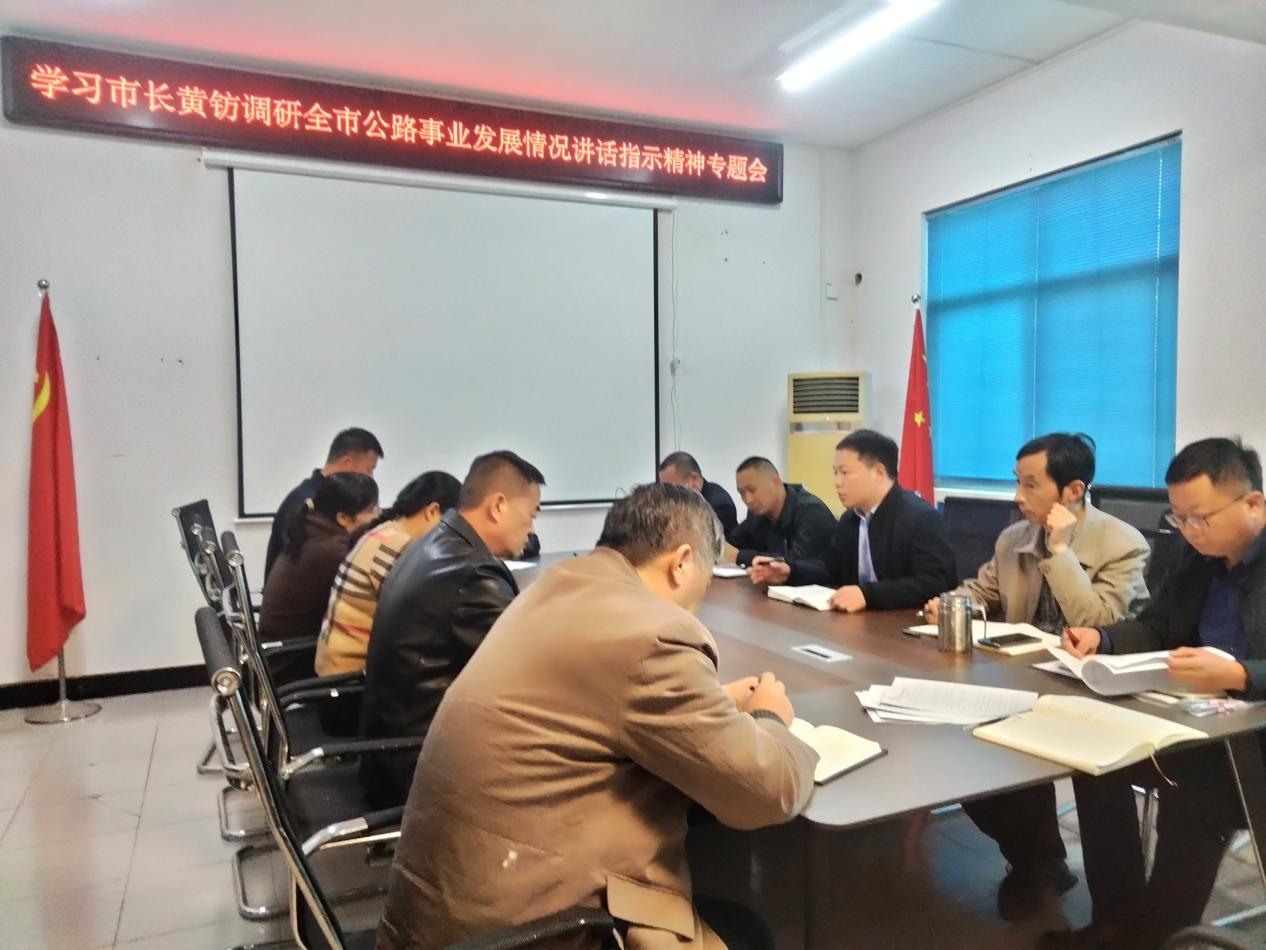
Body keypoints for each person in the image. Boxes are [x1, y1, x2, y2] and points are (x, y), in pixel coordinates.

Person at [376, 482, 817, 950]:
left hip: (444, 916)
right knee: (750, 929)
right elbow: (767, 791)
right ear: (682, 562)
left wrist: (710, 703)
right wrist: (769, 715)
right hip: (535, 930)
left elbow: (600, 706)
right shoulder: (650, 633)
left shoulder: (558, 587)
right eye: (704, 583)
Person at [1039, 437, 1266, 950]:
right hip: (1195, 719)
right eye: (1178, 519)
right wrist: (1104, 639)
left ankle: (1153, 938)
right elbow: (1158, 626)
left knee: (1194, 786)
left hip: (1250, 744)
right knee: (1098, 762)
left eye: (1200, 518)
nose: (1188, 530)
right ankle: (1116, 919)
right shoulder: (1197, 558)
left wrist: (1241, 674)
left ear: (1253, 503)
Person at [924, 433, 1150, 921]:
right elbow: (981, 589)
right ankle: (1038, 859)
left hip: (1093, 691)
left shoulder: (1123, 543)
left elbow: (1103, 625)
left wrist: (1060, 551)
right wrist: (949, 602)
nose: (1018, 497)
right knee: (956, 741)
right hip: (1025, 678)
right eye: (1017, 482)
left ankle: (1103, 907)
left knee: (1090, 771)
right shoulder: (1014, 539)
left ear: (1073, 491)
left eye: (1031, 485)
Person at [359, 450, 544, 807]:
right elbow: (531, 678)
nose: (532, 528)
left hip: (389, 749)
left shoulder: (433, 544)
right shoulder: (472, 575)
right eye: (531, 514)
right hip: (420, 766)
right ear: (498, 506)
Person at [760, 430, 956, 611]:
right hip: (860, 622)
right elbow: (830, 568)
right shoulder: (850, 519)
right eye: (835, 473)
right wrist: (790, 571)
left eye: (845, 473)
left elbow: (936, 583)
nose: (837, 482)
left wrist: (868, 595)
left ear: (879, 472)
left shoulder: (921, 517)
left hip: (905, 625)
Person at [314, 471, 461, 677]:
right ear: (432, 511)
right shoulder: (399, 547)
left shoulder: (386, 532)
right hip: (351, 678)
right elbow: (424, 619)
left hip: (336, 667)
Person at [257, 472, 379, 686]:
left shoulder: (310, 530)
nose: (377, 516)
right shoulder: (334, 551)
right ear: (343, 518)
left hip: (277, 655)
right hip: (292, 663)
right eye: (371, 510)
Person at [264, 427, 384, 581]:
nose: (371, 477)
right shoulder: (310, 503)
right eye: (369, 470)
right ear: (347, 462)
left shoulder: (314, 493)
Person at [729, 456, 837, 585]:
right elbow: (730, 544)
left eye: (752, 490)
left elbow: (792, 565)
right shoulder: (757, 514)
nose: (748, 500)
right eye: (741, 493)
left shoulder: (811, 511)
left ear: (775, 481)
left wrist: (739, 556)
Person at [659, 450, 739, 535]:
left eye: (672, 488)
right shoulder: (688, 500)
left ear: (694, 479)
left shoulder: (719, 505)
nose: (668, 494)